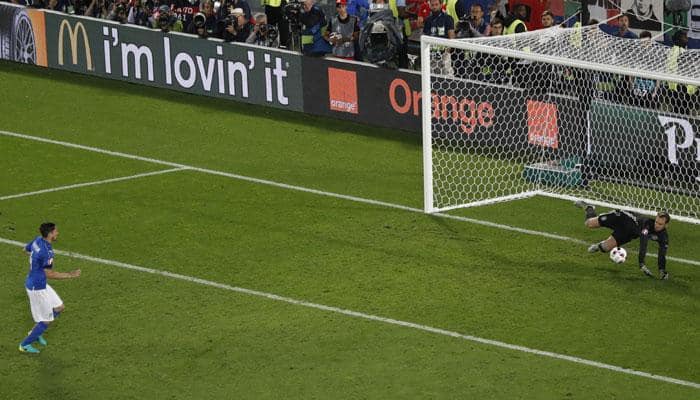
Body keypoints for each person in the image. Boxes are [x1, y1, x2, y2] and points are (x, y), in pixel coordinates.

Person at [18, 223, 81, 354]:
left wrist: (36, 263)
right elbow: (49, 274)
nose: (57, 233)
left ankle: (35, 332)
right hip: (37, 288)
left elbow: (25, 250)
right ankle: (24, 344)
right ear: (50, 233)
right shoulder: (47, 252)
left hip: (39, 282)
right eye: (56, 231)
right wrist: (70, 275)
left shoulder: (37, 240)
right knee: (46, 321)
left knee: (59, 307)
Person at [575, 201, 670, 280]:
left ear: (666, 225)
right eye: (656, 222)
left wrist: (662, 271)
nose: (657, 225)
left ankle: (599, 246)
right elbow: (643, 244)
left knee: (605, 248)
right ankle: (589, 208)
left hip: (628, 233)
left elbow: (662, 253)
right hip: (622, 217)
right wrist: (642, 264)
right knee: (589, 224)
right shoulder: (647, 224)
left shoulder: (664, 237)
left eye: (660, 224)